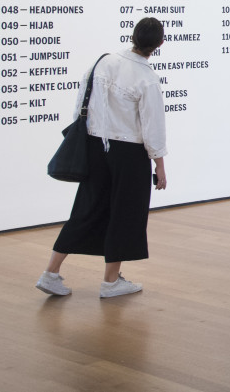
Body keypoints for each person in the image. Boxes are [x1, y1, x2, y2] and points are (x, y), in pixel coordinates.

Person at [35, 17, 169, 298]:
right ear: (159, 44)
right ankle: (110, 282)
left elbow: (81, 104)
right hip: (130, 155)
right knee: (125, 215)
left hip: (96, 147)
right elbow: (152, 128)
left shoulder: (102, 63)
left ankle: (50, 273)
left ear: (133, 37)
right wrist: (159, 165)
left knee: (85, 211)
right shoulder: (147, 79)